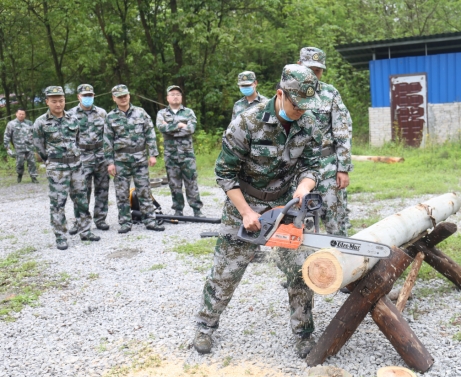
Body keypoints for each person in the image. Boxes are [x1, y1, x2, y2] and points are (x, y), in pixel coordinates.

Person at [191, 64, 322, 359]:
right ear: (280, 94)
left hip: (285, 205)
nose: (301, 111)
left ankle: (303, 333)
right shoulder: (246, 123)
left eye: (305, 106)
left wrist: (304, 187)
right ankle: (205, 326)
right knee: (226, 271)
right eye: (296, 105)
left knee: (300, 270)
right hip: (244, 204)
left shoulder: (309, 122)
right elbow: (224, 174)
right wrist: (247, 212)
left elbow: (312, 165)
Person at [32, 86, 100, 250]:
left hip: (76, 165)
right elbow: (38, 145)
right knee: (58, 203)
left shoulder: (73, 119)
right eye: (54, 101)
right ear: (47, 102)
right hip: (57, 168)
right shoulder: (41, 122)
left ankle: (85, 231)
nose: (58, 104)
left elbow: (77, 140)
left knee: (81, 200)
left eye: (61, 100)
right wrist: (51, 160)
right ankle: (61, 236)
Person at [298, 47, 353, 236]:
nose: (314, 75)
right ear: (299, 66)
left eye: (318, 71)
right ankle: (307, 263)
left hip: (327, 166)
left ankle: (341, 261)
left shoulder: (330, 94)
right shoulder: (288, 95)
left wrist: (343, 168)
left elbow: (342, 131)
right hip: (299, 167)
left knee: (335, 221)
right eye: (309, 70)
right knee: (303, 222)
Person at [103, 84, 164, 234]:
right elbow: (107, 141)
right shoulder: (110, 117)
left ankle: (149, 220)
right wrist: (110, 163)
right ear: (114, 98)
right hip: (120, 160)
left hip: (140, 159)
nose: (123, 99)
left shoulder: (141, 113)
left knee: (144, 190)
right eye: (119, 97)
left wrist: (153, 154)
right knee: (122, 193)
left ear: (129, 95)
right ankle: (125, 222)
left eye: (125, 95)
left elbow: (150, 133)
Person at [67, 84, 110, 234]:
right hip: (81, 157)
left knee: (102, 190)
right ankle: (80, 221)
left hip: (100, 155)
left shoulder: (102, 113)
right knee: (81, 192)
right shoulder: (70, 114)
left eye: (90, 95)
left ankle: (100, 219)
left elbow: (108, 135)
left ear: (94, 96)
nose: (87, 98)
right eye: (84, 95)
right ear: (78, 96)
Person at [156, 85, 204, 217]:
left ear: (181, 97)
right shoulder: (162, 113)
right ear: (167, 97)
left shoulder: (188, 112)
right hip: (171, 155)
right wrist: (179, 125)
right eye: (172, 94)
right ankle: (178, 210)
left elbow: (191, 129)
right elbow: (161, 128)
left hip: (187, 155)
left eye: (178, 94)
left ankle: (197, 209)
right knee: (174, 183)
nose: (175, 96)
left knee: (191, 182)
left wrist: (171, 128)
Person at [3, 108, 38, 183]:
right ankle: (19, 175)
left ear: (25, 115)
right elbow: (7, 136)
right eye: (20, 114)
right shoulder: (11, 124)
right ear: (16, 114)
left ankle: (33, 177)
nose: (21, 115)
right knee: (20, 163)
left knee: (32, 163)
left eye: (23, 114)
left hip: (29, 147)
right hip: (19, 148)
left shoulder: (29, 123)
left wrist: (36, 144)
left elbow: (35, 134)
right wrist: (7, 147)